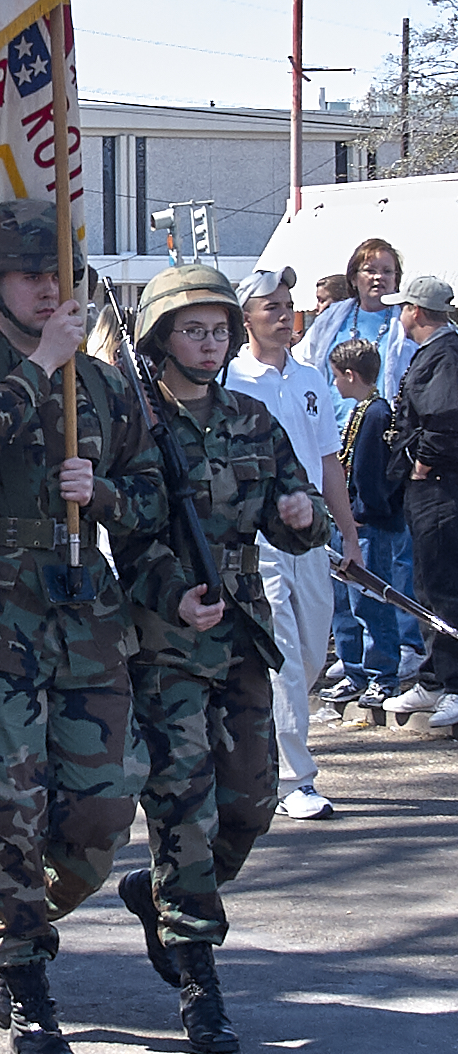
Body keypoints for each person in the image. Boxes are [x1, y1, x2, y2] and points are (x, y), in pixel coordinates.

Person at [0, 200, 174, 1054]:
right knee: (7, 811)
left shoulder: (103, 384)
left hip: (85, 617)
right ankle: (24, 976)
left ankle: (13, 916)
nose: (47, 290)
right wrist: (39, 366)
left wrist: (100, 494)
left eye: (58, 275)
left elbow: (150, 498)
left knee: (104, 808)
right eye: (31, 275)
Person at [118, 266, 330, 1054]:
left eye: (216, 331)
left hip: (240, 628)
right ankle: (199, 979)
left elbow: (293, 520)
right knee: (182, 804)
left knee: (250, 802)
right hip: (165, 635)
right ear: (159, 339)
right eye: (190, 330)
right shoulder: (136, 424)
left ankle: (160, 898)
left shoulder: (250, 418)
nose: (206, 344)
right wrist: (172, 592)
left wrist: (300, 516)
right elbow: (129, 537)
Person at [226, 268, 363, 821]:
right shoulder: (231, 380)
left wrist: (349, 535)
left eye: (289, 306)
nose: (285, 316)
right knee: (282, 657)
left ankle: (253, 741)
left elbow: (328, 460)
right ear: (247, 319)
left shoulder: (310, 379)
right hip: (259, 542)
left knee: (308, 655)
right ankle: (295, 779)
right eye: (272, 308)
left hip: (312, 537)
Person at [380, 276, 458, 728]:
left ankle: (453, 682)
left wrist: (422, 465)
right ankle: (433, 676)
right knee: (428, 583)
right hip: (432, 487)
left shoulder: (444, 356)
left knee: (443, 584)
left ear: (417, 311)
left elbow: (446, 418)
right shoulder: (437, 354)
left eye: (404, 307)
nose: (400, 315)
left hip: (441, 487)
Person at [320, 339, 404, 708]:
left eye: (336, 377)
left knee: (370, 600)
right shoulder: (360, 411)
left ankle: (382, 675)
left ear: (351, 376)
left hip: (366, 524)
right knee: (345, 603)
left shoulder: (376, 414)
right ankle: (353, 669)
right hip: (348, 521)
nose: (334, 384)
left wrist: (363, 511)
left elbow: (369, 472)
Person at [298, 238, 413, 430]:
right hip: (331, 431)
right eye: (370, 270)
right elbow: (304, 365)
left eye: (387, 271)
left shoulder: (407, 322)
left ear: (396, 279)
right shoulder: (330, 319)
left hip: (382, 432)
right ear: (353, 278)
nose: (379, 277)